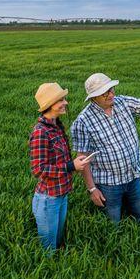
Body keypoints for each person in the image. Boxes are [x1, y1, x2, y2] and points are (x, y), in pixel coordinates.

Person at [70, 73, 140, 224]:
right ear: (93, 97)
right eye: (105, 93)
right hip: (108, 184)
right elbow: (83, 160)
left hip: (132, 176)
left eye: (111, 89)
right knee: (112, 223)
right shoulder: (83, 122)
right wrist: (92, 189)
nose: (111, 94)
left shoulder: (122, 102)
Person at [29, 82, 89, 251]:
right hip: (48, 199)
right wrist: (71, 166)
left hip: (62, 194)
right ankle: (49, 271)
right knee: (48, 247)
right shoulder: (41, 132)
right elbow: (38, 169)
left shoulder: (56, 126)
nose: (66, 102)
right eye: (61, 100)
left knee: (57, 240)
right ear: (50, 104)